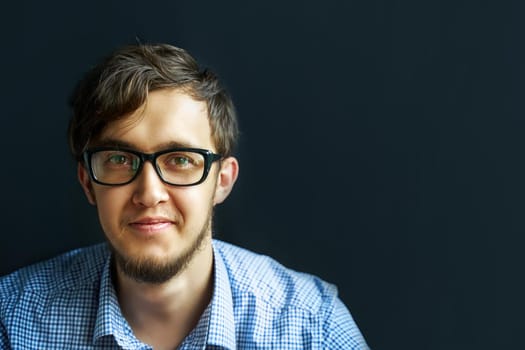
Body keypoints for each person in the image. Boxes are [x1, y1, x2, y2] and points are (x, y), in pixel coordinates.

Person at [0, 43, 369, 349]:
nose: (149, 193)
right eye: (118, 159)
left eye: (180, 160)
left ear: (222, 181)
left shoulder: (312, 328)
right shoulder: (13, 322)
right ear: (87, 183)